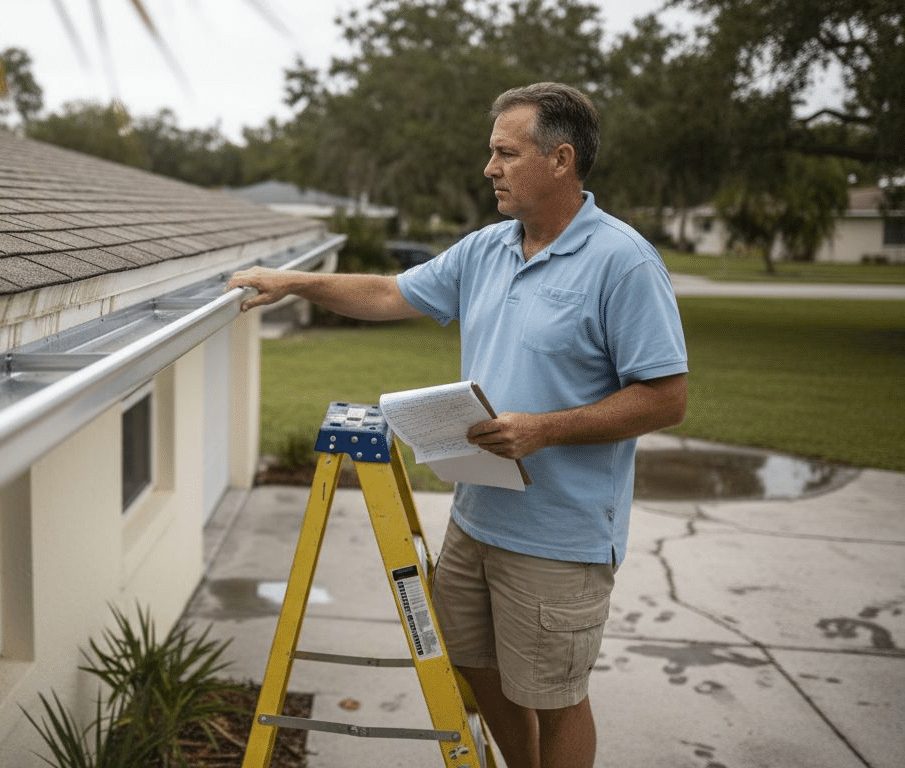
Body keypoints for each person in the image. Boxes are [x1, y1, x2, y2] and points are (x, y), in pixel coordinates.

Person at [226, 82, 688, 768]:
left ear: (560, 161)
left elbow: (666, 397)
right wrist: (297, 284)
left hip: (560, 537)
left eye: (506, 152)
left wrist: (545, 430)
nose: (489, 168)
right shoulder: (487, 250)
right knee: (474, 667)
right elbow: (389, 292)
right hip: (476, 518)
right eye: (490, 152)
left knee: (557, 696)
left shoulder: (622, 261)